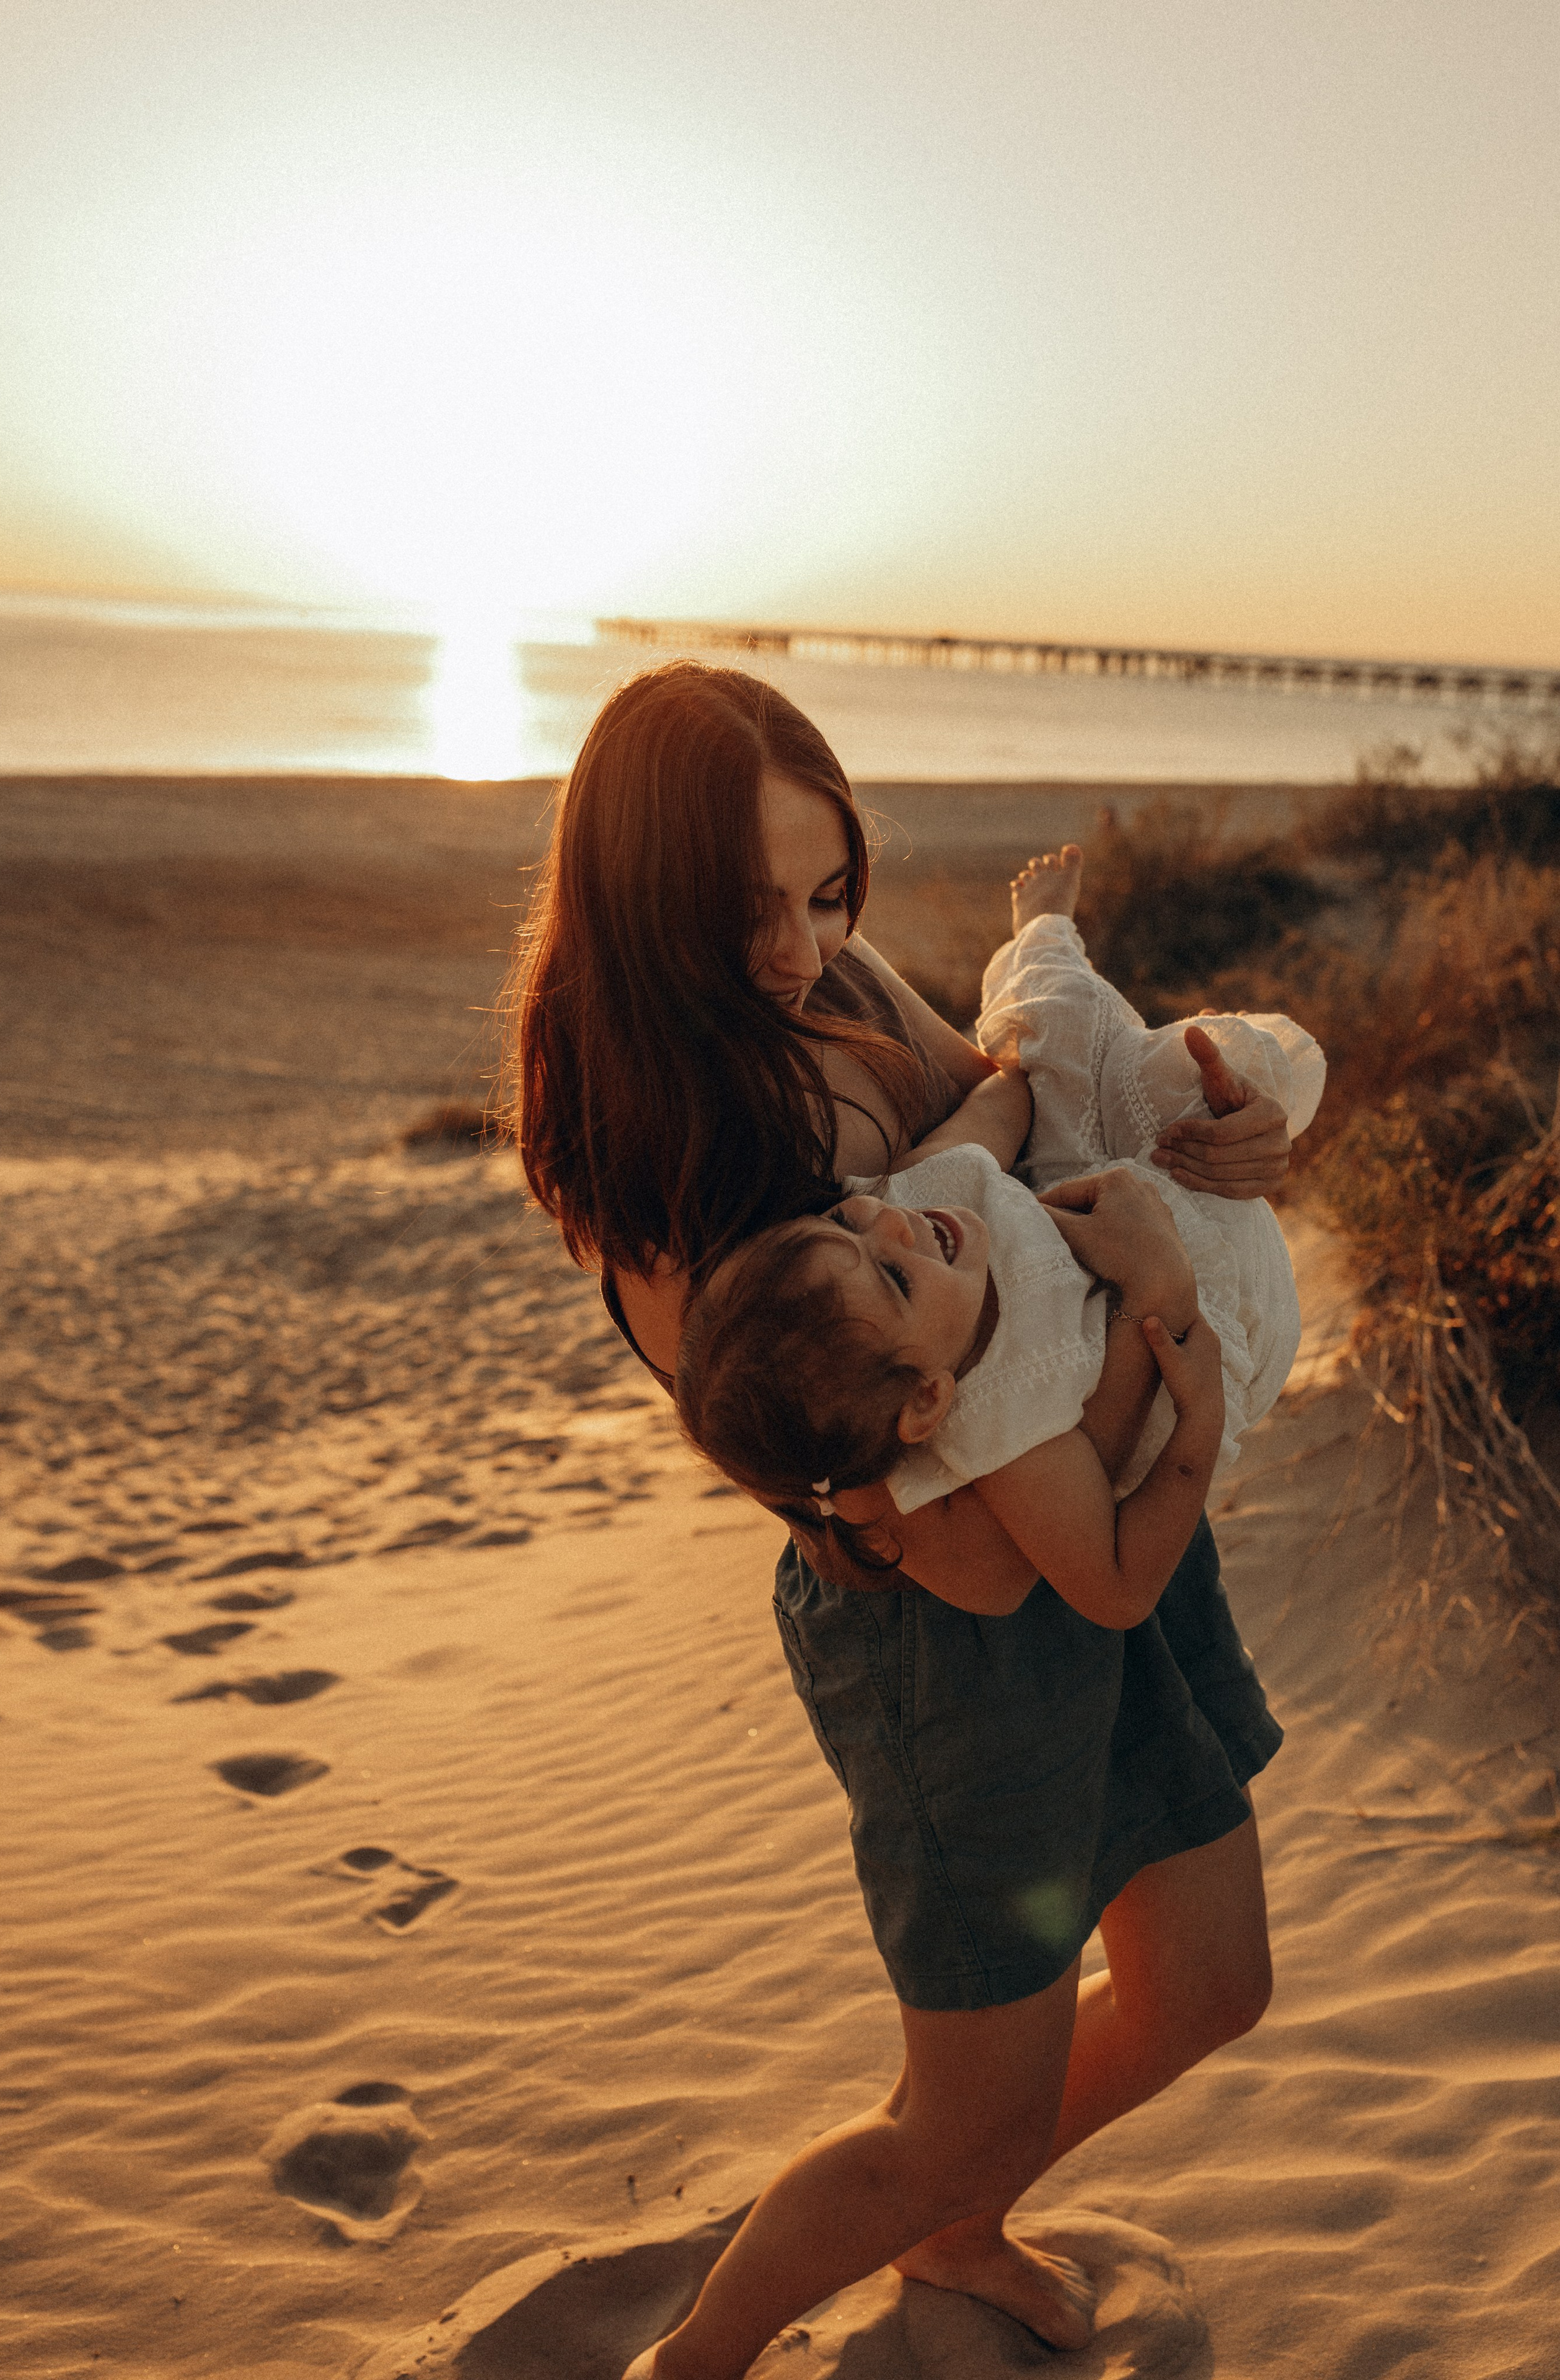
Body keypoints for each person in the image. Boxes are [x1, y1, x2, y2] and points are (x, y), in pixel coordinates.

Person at [509, 661, 1290, 2380]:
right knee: (959, 2118)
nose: (800, 947)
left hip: (1104, 1517)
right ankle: (698, 2355)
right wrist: (1156, 1327)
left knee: (1208, 1983)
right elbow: (978, 1554)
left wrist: (1206, 1143)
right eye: (750, 909)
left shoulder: (840, 982)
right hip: (956, 1652)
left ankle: (951, 2217)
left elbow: (1024, 1116)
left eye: (827, 890)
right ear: (641, 901)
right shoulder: (676, 1164)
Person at [673, 843, 1327, 1608]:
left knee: (1075, 1030)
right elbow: (1116, 1590)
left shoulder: (914, 1194)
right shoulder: (1008, 1419)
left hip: (1133, 1207)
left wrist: (1052, 1069)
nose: (893, 1228)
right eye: (893, 1277)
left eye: (845, 1223)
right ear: (927, 1398)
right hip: (1223, 1321)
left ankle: (1044, 931)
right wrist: (1192, 1398)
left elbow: (1005, 1100)